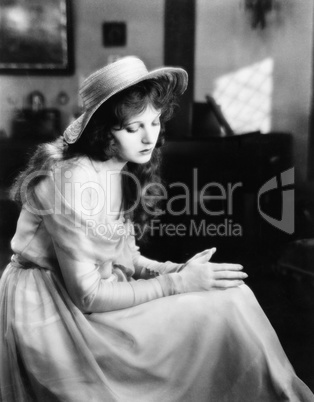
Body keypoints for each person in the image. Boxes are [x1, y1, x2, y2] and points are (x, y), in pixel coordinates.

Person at [0, 56, 313, 402]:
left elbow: (126, 257)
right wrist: (177, 283)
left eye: (155, 122)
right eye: (134, 128)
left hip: (102, 291)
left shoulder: (122, 167)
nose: (150, 137)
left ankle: (286, 395)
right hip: (51, 309)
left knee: (233, 295)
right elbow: (87, 296)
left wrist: (181, 270)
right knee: (215, 313)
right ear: (103, 130)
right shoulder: (72, 180)